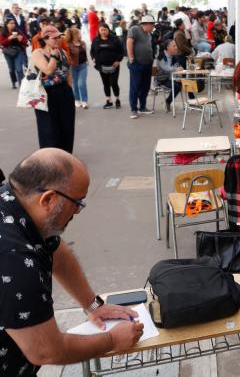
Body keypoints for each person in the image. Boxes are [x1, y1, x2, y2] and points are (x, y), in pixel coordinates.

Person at [0, 148, 144, 377]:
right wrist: (112, 339)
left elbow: (55, 250)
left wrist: (93, 305)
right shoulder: (15, 261)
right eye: (78, 201)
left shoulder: (13, 201)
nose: (78, 210)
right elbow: (46, 350)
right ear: (47, 199)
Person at [31, 25, 76, 153]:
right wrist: (54, 56)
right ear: (45, 39)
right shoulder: (37, 53)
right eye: (54, 38)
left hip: (64, 92)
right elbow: (48, 70)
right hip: (46, 94)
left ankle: (65, 155)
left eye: (59, 37)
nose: (58, 40)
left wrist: (69, 87)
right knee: (49, 129)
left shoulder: (62, 51)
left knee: (67, 127)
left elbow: (68, 71)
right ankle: (50, 158)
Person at [126, 15, 155, 119]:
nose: (153, 27)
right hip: (136, 63)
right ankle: (134, 109)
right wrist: (131, 58)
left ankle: (142, 107)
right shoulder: (134, 30)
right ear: (146, 24)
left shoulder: (148, 34)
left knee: (145, 86)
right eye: (152, 25)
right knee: (135, 86)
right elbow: (129, 42)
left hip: (147, 63)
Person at [90, 23, 124, 109]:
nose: (104, 32)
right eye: (102, 30)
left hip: (114, 65)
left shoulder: (115, 39)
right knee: (106, 83)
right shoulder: (96, 40)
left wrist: (118, 60)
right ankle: (108, 101)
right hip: (101, 66)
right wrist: (93, 58)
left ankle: (117, 99)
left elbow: (121, 51)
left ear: (108, 30)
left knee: (114, 83)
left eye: (105, 30)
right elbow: (92, 51)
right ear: (99, 31)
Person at [65, 27, 89, 109]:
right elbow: (67, 56)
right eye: (78, 33)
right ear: (74, 35)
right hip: (73, 67)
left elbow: (84, 53)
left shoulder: (83, 43)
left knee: (81, 83)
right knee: (75, 84)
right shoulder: (68, 44)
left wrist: (87, 60)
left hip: (83, 65)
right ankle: (77, 99)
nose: (80, 34)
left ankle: (84, 101)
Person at [0, 18, 28, 89]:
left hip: (18, 51)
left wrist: (21, 39)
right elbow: (2, 43)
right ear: (6, 24)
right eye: (11, 23)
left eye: (14, 23)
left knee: (19, 69)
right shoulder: (3, 33)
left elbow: (26, 41)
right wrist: (9, 38)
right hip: (8, 53)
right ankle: (13, 81)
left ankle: (22, 85)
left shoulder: (18, 31)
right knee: (11, 69)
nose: (13, 25)